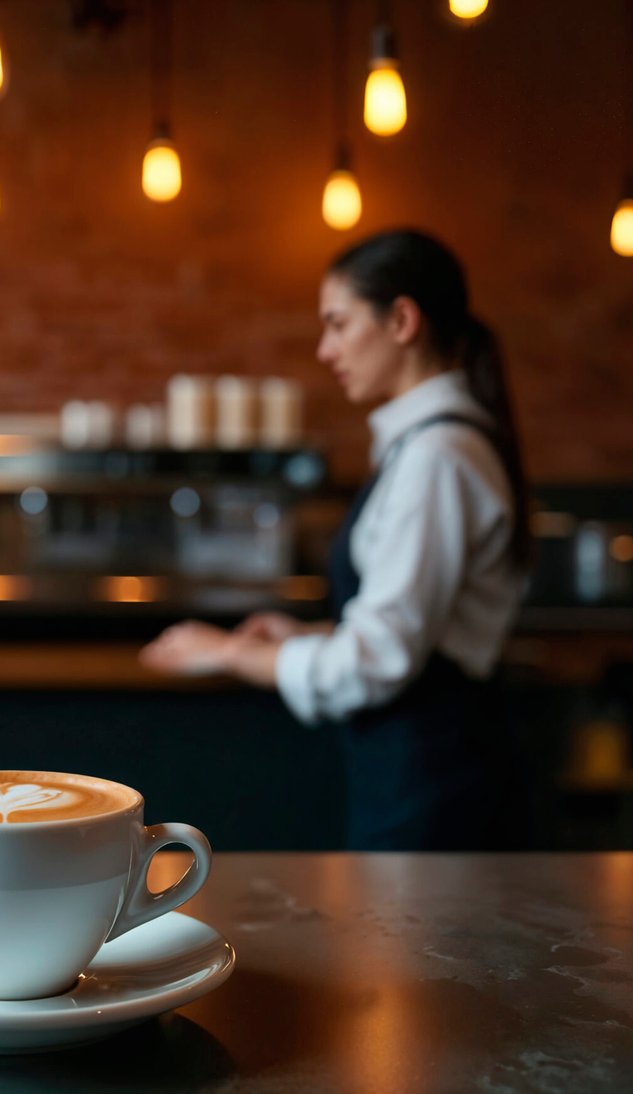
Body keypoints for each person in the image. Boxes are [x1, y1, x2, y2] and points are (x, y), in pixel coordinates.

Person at [141, 229, 531, 851]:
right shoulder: (429, 445)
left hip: (434, 789)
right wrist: (311, 636)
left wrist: (231, 653)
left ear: (402, 321)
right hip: (419, 777)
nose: (326, 350)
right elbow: (417, 630)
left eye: (339, 324)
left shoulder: (438, 456)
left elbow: (380, 659)